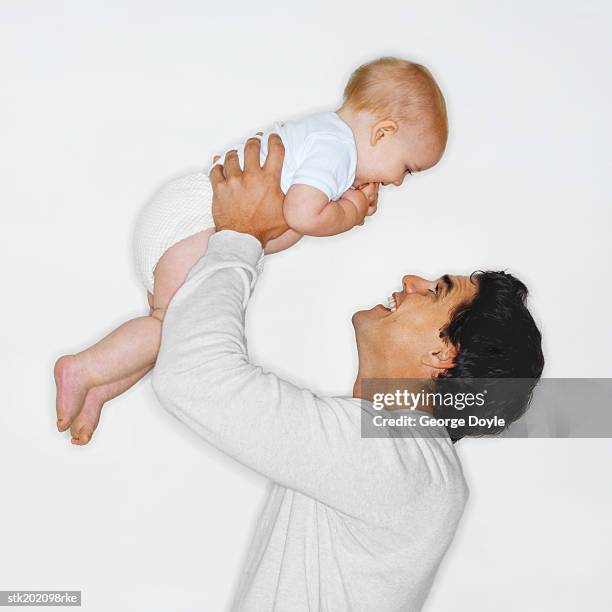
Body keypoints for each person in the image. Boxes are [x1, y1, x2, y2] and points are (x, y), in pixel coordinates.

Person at [151, 135, 544, 611]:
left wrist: (240, 236)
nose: (411, 282)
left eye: (437, 292)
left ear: (444, 354)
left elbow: (194, 378)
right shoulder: (398, 457)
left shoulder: (394, 457)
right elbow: (194, 369)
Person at [53, 57, 448, 444]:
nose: (398, 182)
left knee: (166, 332)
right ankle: (82, 368)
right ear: (383, 132)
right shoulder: (336, 149)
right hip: (199, 221)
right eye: (407, 168)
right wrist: (352, 213)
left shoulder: (325, 140)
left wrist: (346, 194)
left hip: (188, 215)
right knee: (169, 328)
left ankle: (99, 387)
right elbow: (302, 214)